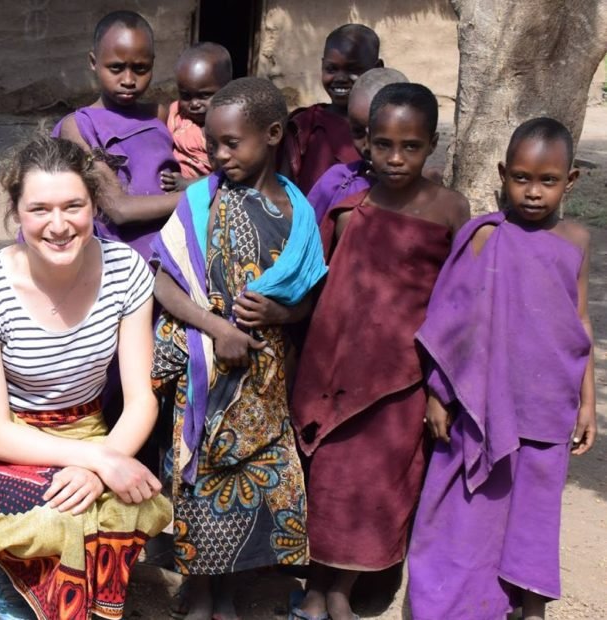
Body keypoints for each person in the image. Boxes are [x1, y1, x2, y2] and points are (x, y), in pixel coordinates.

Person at [0, 134, 171, 620]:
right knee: (53, 521)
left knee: (129, 508)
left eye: (74, 206)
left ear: (94, 206)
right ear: (17, 212)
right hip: (5, 443)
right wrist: (99, 461)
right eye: (40, 209)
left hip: (86, 427)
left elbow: (141, 400)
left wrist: (98, 464)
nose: (58, 225)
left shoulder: (127, 271)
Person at [289, 83, 469, 620]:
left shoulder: (450, 211)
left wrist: (441, 391)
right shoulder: (350, 205)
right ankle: (316, 589)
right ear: (365, 142)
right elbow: (313, 284)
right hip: (334, 367)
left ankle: (339, 593)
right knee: (325, 480)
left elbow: (459, 305)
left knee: (373, 487)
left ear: (432, 144)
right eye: (383, 144)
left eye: (410, 146)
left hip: (402, 378)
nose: (395, 158)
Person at [151, 77, 327, 620]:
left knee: (252, 484)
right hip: (207, 367)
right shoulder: (200, 200)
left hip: (265, 379)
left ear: (273, 134)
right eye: (212, 143)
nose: (219, 155)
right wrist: (215, 326)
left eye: (232, 144)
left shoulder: (298, 213)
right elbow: (162, 278)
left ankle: (229, 592)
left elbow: (311, 291)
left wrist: (282, 313)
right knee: (200, 481)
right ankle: (201, 594)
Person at [407, 118, 596, 620]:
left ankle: (529, 605)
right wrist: (437, 393)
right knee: (466, 515)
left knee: (535, 514)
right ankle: (459, 606)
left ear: (570, 181)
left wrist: (588, 402)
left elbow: (578, 323)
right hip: (484, 402)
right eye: (521, 178)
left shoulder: (576, 240)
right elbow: (452, 321)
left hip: (548, 403)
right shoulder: (485, 236)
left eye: (548, 180)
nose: (532, 192)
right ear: (502, 173)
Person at [55, 10, 181, 259]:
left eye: (140, 68)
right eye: (116, 67)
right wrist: (200, 195)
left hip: (171, 243)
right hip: (120, 257)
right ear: (93, 62)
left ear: (153, 63)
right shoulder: (79, 126)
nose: (129, 79)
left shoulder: (158, 114)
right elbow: (118, 208)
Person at [279, 24, 384, 193]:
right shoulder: (304, 125)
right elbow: (284, 187)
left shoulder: (386, 124)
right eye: (331, 69)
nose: (340, 78)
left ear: (377, 68)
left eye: (353, 69)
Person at [305, 67, 407, 223]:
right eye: (358, 132)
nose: (367, 146)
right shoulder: (335, 182)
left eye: (381, 138)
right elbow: (306, 235)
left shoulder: (429, 196)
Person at [161, 42, 233, 191]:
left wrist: (187, 184)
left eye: (204, 95)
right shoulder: (176, 114)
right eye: (186, 95)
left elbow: (227, 174)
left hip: (212, 192)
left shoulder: (229, 126)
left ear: (227, 89)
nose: (194, 104)